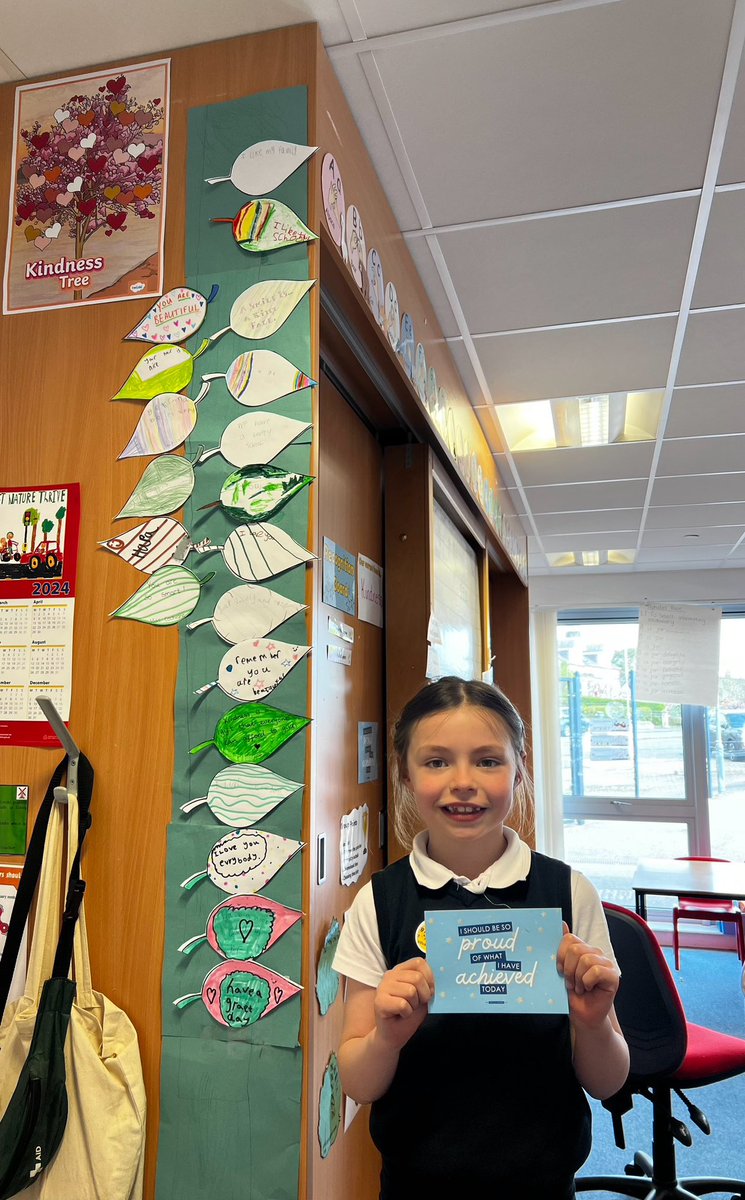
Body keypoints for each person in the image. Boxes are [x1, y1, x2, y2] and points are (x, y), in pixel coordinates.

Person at [334, 676, 629, 1200]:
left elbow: (607, 1082)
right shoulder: (377, 904)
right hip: (414, 1182)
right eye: (436, 761)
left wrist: (593, 1023)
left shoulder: (567, 892)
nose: (463, 781)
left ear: (518, 772)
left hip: (542, 1181)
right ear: (404, 774)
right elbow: (358, 1083)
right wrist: (387, 1036)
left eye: (488, 761)